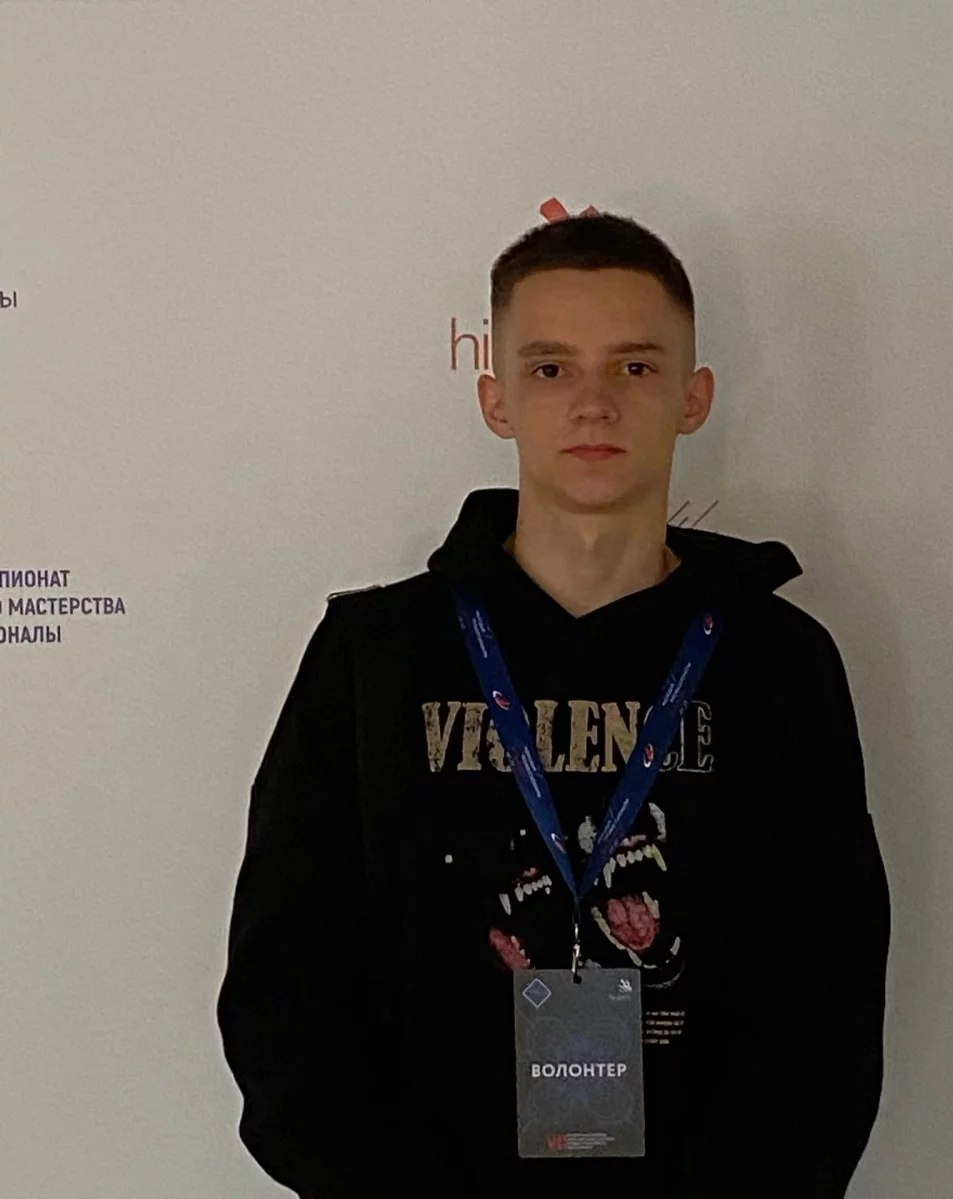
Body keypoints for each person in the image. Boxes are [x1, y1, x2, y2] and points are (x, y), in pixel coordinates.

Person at [216, 211, 891, 1197]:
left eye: (635, 366)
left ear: (694, 396)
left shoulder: (778, 662)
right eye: (550, 368)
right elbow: (287, 995)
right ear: (496, 399)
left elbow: (824, 1002)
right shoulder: (375, 657)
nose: (593, 403)